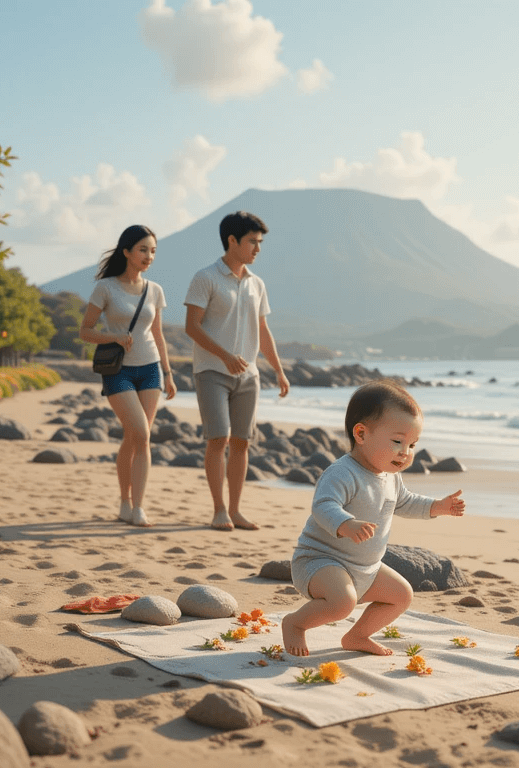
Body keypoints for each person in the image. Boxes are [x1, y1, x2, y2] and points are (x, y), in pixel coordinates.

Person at [281, 380, 465, 657]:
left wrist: (438, 506)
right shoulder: (343, 472)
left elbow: (405, 502)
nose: (406, 452)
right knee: (342, 603)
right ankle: (295, 624)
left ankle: (357, 636)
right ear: (361, 434)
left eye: (412, 444)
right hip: (320, 561)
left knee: (402, 595)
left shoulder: (390, 476)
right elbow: (323, 505)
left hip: (365, 568)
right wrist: (345, 524)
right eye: (397, 441)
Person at [184, 211, 290, 532]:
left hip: (249, 377)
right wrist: (225, 356)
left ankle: (235, 510)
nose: (258, 249)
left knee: (241, 442)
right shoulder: (206, 277)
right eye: (252, 242)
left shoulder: (257, 284)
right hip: (212, 371)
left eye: (260, 243)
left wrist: (279, 371)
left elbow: (263, 330)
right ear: (232, 241)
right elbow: (192, 326)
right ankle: (218, 511)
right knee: (218, 439)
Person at [79, 224, 177, 528]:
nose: (149, 256)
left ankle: (132, 506)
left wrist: (168, 373)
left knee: (136, 438)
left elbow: (158, 334)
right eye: (143, 250)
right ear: (127, 252)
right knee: (142, 434)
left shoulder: (155, 290)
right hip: (118, 370)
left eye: (153, 251)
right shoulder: (106, 287)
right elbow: (85, 331)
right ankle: (130, 505)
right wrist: (113, 336)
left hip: (150, 369)